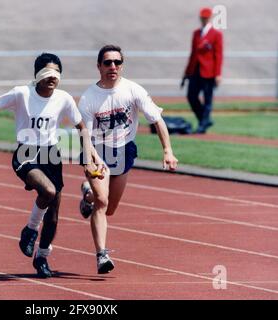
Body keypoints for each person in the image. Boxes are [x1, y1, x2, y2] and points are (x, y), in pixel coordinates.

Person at [0, 53, 100, 278]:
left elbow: (83, 129)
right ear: (37, 75)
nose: (53, 78)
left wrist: (87, 160)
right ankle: (30, 229)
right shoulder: (22, 93)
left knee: (54, 214)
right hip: (26, 153)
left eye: (57, 74)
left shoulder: (64, 99)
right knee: (47, 191)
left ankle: (42, 257)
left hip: (51, 155)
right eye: (48, 73)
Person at [78, 45, 178, 274]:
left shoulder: (133, 90)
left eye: (117, 62)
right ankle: (101, 255)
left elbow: (157, 120)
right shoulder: (89, 98)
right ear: (99, 66)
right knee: (102, 203)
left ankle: (87, 195)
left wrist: (167, 151)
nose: (112, 66)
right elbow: (84, 135)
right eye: (107, 62)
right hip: (96, 149)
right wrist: (93, 158)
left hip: (123, 150)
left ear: (122, 65)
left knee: (110, 208)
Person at [181, 7, 223, 134]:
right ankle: (204, 120)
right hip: (195, 70)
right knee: (191, 96)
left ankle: (203, 125)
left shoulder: (216, 34)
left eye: (206, 17)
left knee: (207, 99)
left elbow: (218, 55)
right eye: (202, 17)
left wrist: (218, 74)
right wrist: (187, 72)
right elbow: (193, 53)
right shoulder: (196, 33)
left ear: (210, 18)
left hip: (209, 72)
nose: (204, 19)